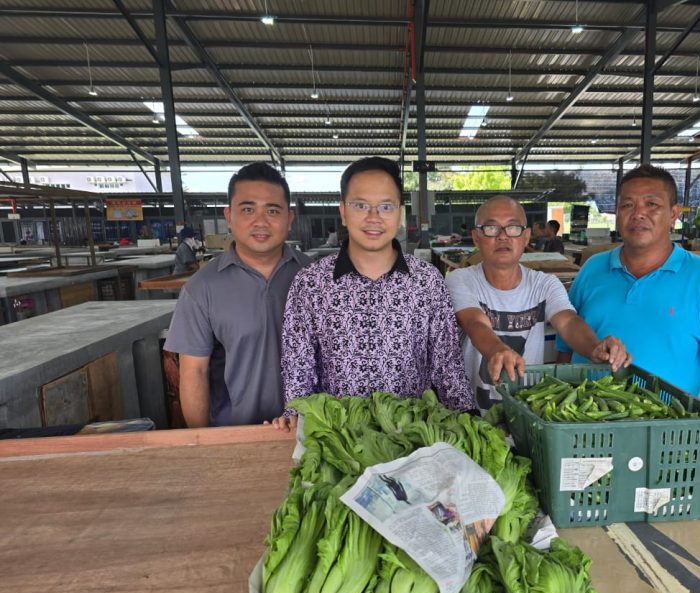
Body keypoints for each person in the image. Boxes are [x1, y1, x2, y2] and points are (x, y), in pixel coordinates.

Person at [557, 164, 700, 461]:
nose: (638, 214)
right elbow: (564, 348)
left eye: (652, 204)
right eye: (627, 205)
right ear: (617, 214)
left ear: (674, 214)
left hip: (665, 434)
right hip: (582, 428)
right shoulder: (593, 269)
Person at [273, 156, 474, 430]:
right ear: (343, 212)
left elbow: (447, 364)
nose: (374, 217)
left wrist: (466, 422)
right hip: (338, 440)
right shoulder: (310, 283)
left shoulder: (427, 281)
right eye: (360, 206)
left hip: (412, 438)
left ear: (399, 213)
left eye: (386, 206)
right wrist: (297, 416)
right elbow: (298, 368)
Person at [446, 195, 631, 412]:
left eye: (513, 228)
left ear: (526, 237)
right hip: (471, 413)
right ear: (476, 237)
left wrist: (594, 347)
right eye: (491, 228)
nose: (503, 237)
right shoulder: (460, 278)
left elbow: (568, 322)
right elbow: (474, 323)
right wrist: (497, 349)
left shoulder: (544, 284)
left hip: (527, 412)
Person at [164, 162, 310, 427]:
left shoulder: (316, 278)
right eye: (247, 209)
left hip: (311, 431)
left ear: (289, 219)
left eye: (272, 210)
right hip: (236, 431)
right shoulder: (202, 289)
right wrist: (205, 443)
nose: (260, 221)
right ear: (228, 216)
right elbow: (194, 372)